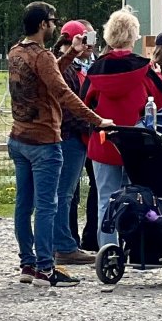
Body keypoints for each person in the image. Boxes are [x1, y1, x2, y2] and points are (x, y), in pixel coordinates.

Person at [7, 1, 112, 286]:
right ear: (43, 24)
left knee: (23, 205)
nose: (55, 26)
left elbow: (46, 78)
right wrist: (97, 120)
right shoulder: (41, 56)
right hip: (44, 142)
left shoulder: (15, 52)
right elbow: (62, 92)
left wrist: (72, 53)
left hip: (19, 138)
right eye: (52, 21)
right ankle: (46, 267)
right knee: (47, 205)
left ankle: (28, 264)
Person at [81, 8, 162, 247]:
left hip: (103, 142)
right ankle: (135, 245)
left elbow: (83, 104)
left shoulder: (95, 70)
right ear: (134, 36)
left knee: (105, 200)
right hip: (137, 144)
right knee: (137, 197)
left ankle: (107, 250)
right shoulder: (145, 69)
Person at [51, 19, 97, 266]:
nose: (91, 45)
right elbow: (69, 106)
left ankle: (58, 243)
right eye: (87, 39)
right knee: (64, 193)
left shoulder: (71, 66)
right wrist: (92, 123)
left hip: (71, 136)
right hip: (70, 137)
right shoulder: (66, 69)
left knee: (63, 193)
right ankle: (64, 245)